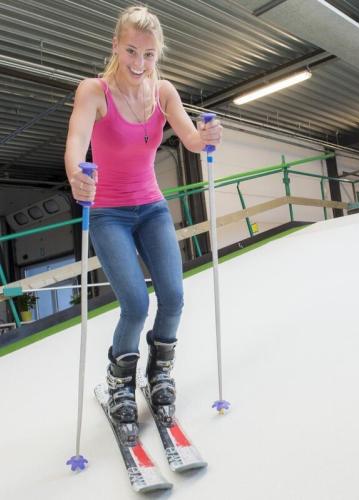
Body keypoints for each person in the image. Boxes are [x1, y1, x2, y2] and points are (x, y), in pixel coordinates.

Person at [65, 5, 222, 437]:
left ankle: (159, 374)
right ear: (116, 45)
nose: (139, 63)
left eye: (149, 54)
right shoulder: (94, 91)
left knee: (172, 297)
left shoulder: (164, 92)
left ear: (159, 54)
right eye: (131, 50)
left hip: (150, 207)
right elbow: (76, 140)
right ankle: (119, 383)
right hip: (108, 212)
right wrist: (77, 174)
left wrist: (205, 138)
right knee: (135, 303)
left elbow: (190, 138)